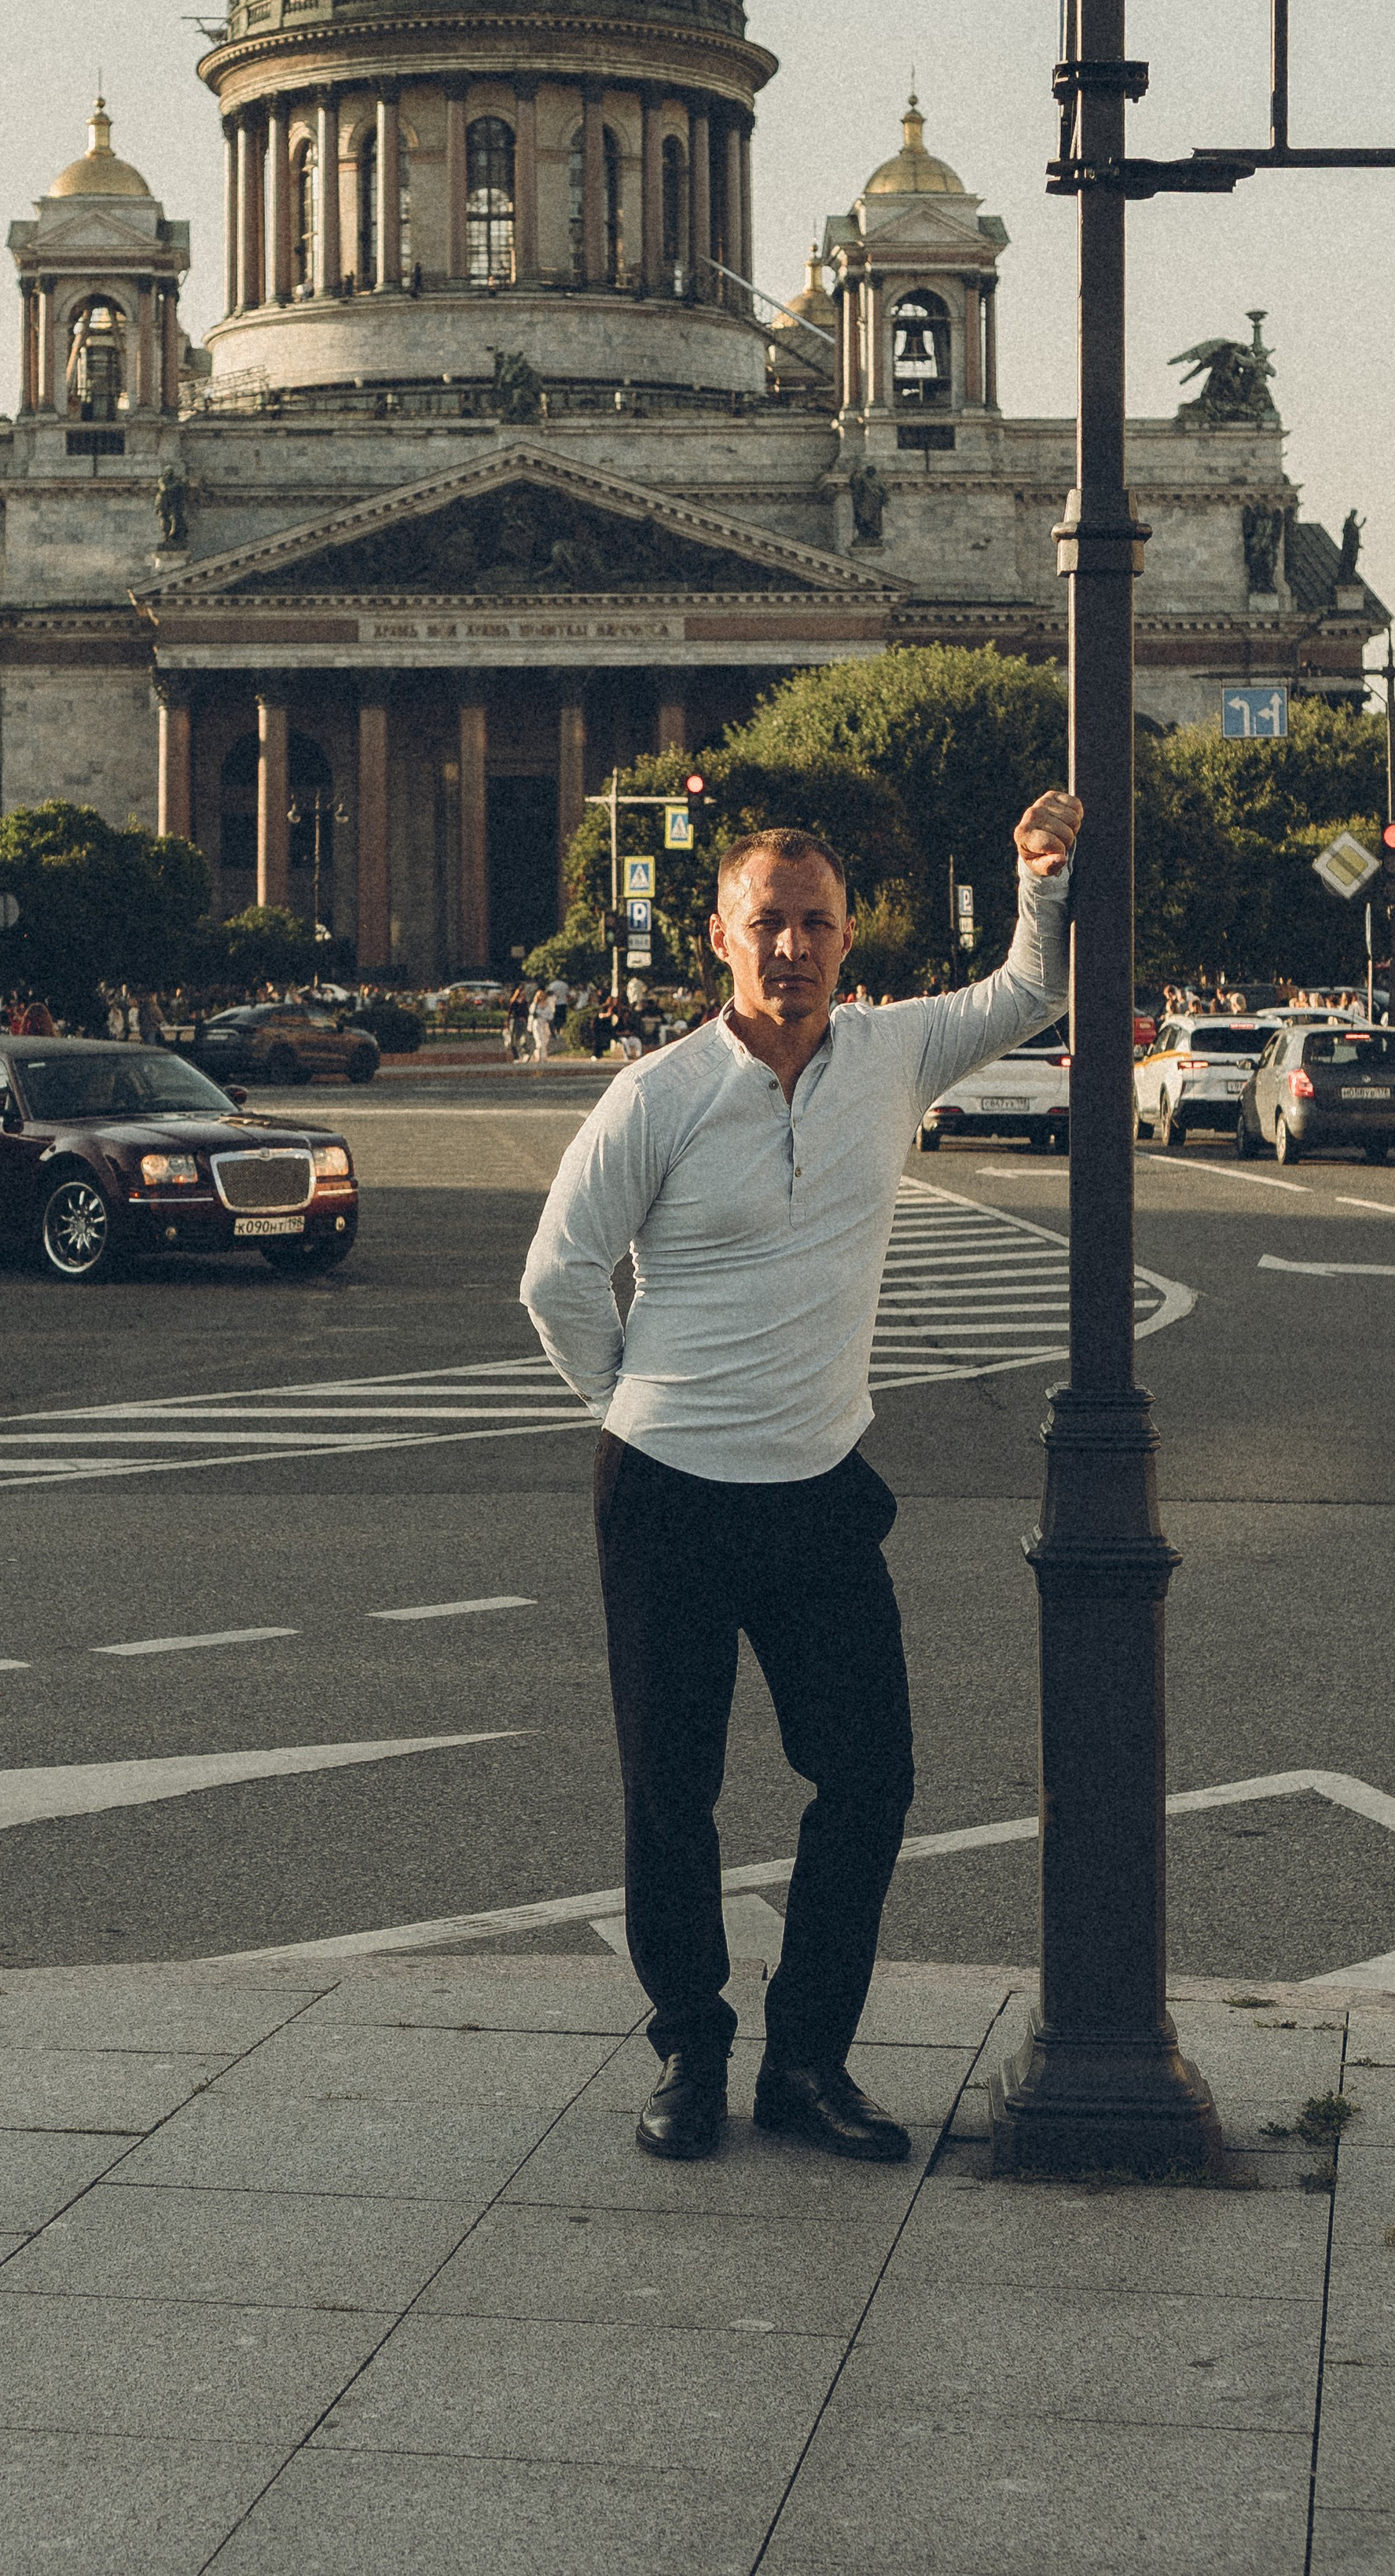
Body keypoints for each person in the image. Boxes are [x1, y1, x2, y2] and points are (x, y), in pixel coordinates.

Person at [522, 793, 1080, 2169]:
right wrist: (636, 1405)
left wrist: (1040, 880)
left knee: (870, 1780)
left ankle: (810, 2061)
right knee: (674, 1788)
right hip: (666, 1491)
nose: (792, 948)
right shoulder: (656, 1093)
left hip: (820, 1490)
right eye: (765, 923)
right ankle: (691, 2052)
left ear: (849, 935)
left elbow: (1027, 990)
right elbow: (557, 1274)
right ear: (719, 937)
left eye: (815, 923)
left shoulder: (894, 1054)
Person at [528, 982, 557, 1064]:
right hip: (537, 1024)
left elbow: (551, 1016)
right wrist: (529, 1027)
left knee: (545, 1041)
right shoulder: (534, 1006)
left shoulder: (548, 1006)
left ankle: (543, 1057)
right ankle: (539, 1058)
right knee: (539, 1042)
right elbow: (531, 1016)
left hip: (545, 1024)